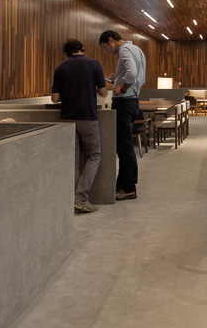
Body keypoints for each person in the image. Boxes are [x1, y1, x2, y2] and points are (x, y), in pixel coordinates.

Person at [51, 38, 108, 213]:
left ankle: (70, 199)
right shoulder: (94, 64)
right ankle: (81, 198)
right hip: (88, 117)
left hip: (67, 118)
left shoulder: (60, 67)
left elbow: (55, 98)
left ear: (66, 53)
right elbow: (104, 92)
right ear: (82, 48)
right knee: (94, 155)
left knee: (73, 160)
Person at [99, 30, 146, 200]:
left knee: (124, 147)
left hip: (124, 102)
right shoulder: (136, 49)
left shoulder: (124, 50)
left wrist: (123, 88)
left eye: (106, 47)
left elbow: (132, 74)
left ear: (111, 40)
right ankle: (122, 184)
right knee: (125, 146)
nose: (107, 51)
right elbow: (138, 76)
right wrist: (117, 79)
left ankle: (128, 187)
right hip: (133, 101)